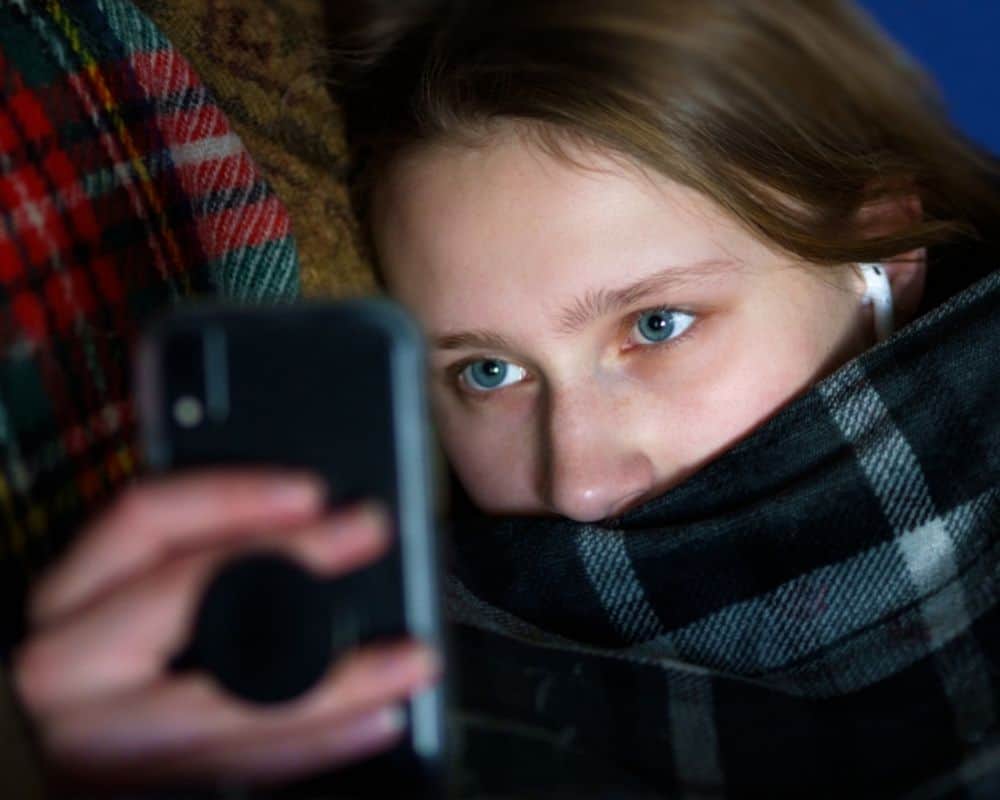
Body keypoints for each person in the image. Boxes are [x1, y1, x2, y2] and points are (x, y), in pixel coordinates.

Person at [7, 0, 1000, 796]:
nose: (579, 481)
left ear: (882, 250)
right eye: (487, 371)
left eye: (656, 324)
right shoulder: (373, 685)